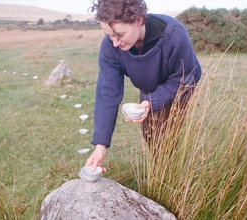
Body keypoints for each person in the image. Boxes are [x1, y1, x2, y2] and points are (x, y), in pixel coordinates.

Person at [85, 0, 202, 172]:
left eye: (120, 34)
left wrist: (153, 101)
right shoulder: (110, 46)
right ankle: (161, 171)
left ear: (139, 20)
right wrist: (100, 146)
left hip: (181, 84)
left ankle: (168, 179)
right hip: (149, 87)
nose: (115, 42)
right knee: (149, 132)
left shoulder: (174, 34)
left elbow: (184, 78)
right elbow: (107, 93)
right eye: (109, 35)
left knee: (166, 134)